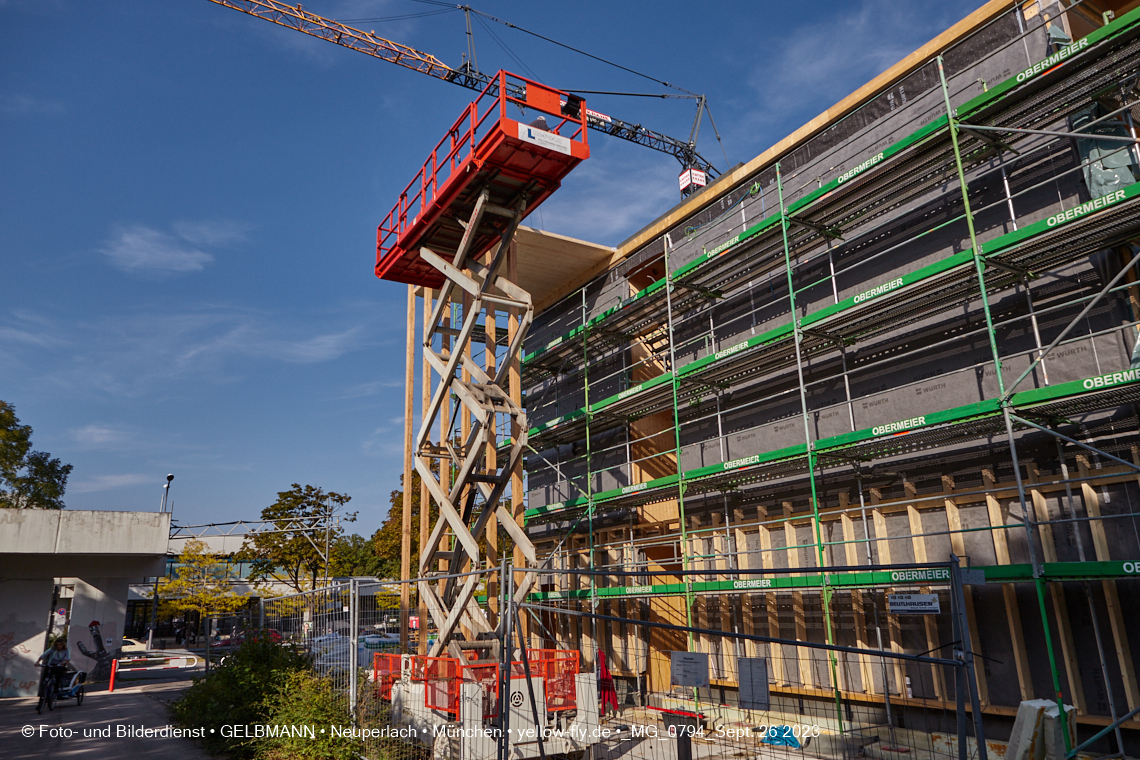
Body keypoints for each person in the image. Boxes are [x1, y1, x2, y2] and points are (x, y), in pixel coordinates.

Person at [35, 638, 72, 707]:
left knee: (59, 676)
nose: (58, 646)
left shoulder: (66, 650)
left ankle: (55, 689)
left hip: (60, 665)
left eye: (60, 645)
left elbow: (68, 658)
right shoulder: (52, 649)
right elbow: (44, 655)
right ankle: (41, 700)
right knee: (45, 680)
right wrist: (38, 661)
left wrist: (64, 662)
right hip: (51, 665)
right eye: (57, 645)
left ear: (63, 645)